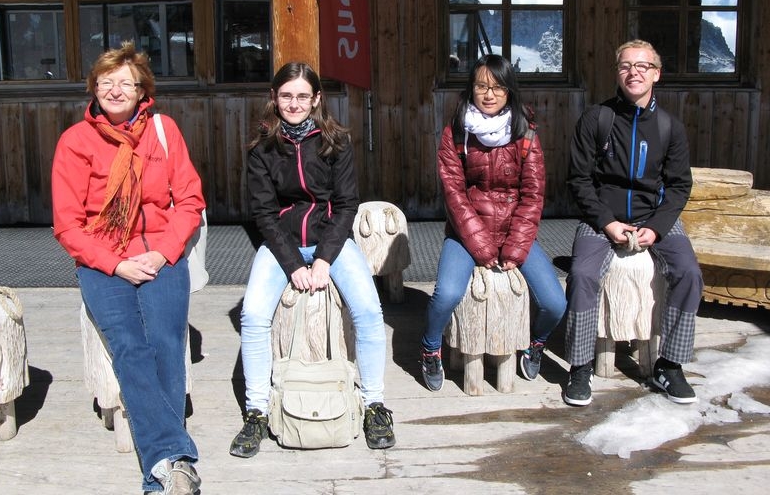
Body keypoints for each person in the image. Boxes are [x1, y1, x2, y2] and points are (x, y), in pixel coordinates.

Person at [52, 42, 204, 495]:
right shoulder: (75, 142)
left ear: (143, 91)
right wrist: (116, 264)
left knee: (165, 340)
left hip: (160, 251)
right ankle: (173, 460)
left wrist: (161, 253)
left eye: (126, 83)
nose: (115, 90)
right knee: (129, 347)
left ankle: (161, 466)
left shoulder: (164, 130)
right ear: (93, 88)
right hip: (103, 260)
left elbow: (190, 201)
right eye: (106, 82)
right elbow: (67, 225)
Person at [229, 61, 395, 458]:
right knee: (253, 316)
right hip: (282, 243)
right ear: (274, 98)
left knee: (370, 311)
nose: (294, 103)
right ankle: (256, 411)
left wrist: (322, 260)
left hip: (329, 240)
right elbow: (264, 214)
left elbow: (346, 205)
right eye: (286, 95)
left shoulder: (335, 142)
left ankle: (374, 403)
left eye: (303, 95)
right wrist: (292, 265)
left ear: (316, 98)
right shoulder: (262, 147)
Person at [563, 39, 703, 407]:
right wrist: (607, 223)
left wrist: (656, 227)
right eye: (626, 65)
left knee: (689, 272)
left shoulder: (670, 128)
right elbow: (578, 180)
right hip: (602, 219)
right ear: (617, 73)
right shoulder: (598, 119)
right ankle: (580, 366)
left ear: (656, 73)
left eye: (642, 66)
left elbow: (678, 185)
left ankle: (669, 365)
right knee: (582, 275)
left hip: (654, 218)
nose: (634, 72)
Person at [420, 54, 567, 391]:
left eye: (498, 87)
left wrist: (515, 248)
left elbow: (532, 195)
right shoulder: (455, 133)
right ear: (471, 89)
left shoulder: (526, 133)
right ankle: (430, 348)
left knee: (555, 302)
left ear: (509, 92)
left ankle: (536, 343)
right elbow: (454, 195)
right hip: (467, 233)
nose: (489, 94)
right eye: (482, 86)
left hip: (515, 231)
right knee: (446, 294)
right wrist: (482, 247)